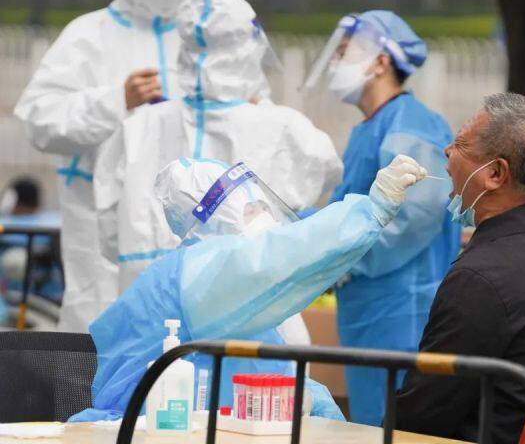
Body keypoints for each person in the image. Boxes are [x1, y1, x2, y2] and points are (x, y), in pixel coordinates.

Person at [71, 154, 427, 421]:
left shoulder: (225, 295)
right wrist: (371, 209)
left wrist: (313, 404)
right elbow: (279, 256)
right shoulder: (195, 275)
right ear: (213, 219)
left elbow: (268, 371)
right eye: (252, 209)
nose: (265, 218)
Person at [94, 0, 342, 347]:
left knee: (158, 384)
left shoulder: (138, 128)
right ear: (250, 46)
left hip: (150, 318)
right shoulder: (286, 130)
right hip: (252, 320)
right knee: (256, 384)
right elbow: (324, 181)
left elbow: (108, 233)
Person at [395, 93, 525, 444]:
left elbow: (420, 417)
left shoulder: (480, 278)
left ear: (495, 173)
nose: (447, 151)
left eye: (461, 144)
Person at [13, 0, 204, 332]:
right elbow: (40, 119)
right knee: (99, 323)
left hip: (182, 214)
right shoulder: (90, 34)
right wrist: (116, 100)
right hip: (98, 213)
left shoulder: (197, 36)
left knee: (178, 329)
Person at [301, 10, 461, 426]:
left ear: (381, 62)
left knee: (396, 428)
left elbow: (410, 220)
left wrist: (340, 256)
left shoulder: (411, 125)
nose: (335, 62)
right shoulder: (372, 129)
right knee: (373, 425)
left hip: (404, 312)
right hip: (372, 313)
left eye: (344, 52)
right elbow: (351, 211)